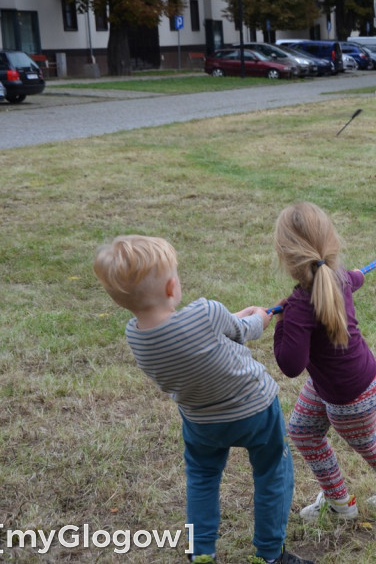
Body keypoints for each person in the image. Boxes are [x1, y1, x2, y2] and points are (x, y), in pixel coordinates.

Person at [92, 236, 312, 564]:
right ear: (171, 288)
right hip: (255, 410)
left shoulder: (135, 334)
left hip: (201, 422)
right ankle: (269, 554)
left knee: (202, 478)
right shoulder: (206, 312)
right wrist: (261, 317)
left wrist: (232, 319)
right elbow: (242, 329)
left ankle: (202, 553)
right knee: (271, 472)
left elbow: (205, 330)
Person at [273, 203, 376, 521]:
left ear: (286, 256)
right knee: (301, 429)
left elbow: (291, 365)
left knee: (369, 444)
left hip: (350, 397)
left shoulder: (299, 306)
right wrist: (354, 277)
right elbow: (355, 278)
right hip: (351, 380)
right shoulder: (337, 278)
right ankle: (340, 500)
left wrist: (281, 321)